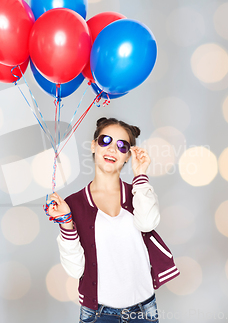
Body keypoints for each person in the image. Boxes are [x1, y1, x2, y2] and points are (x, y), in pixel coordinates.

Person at [47, 117, 180, 323]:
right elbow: (75, 269)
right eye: (105, 141)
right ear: (93, 145)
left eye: (121, 146)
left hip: (143, 310)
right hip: (98, 314)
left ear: (128, 156)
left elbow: (148, 223)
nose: (112, 149)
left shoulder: (138, 191)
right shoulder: (73, 204)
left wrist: (140, 174)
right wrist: (66, 223)